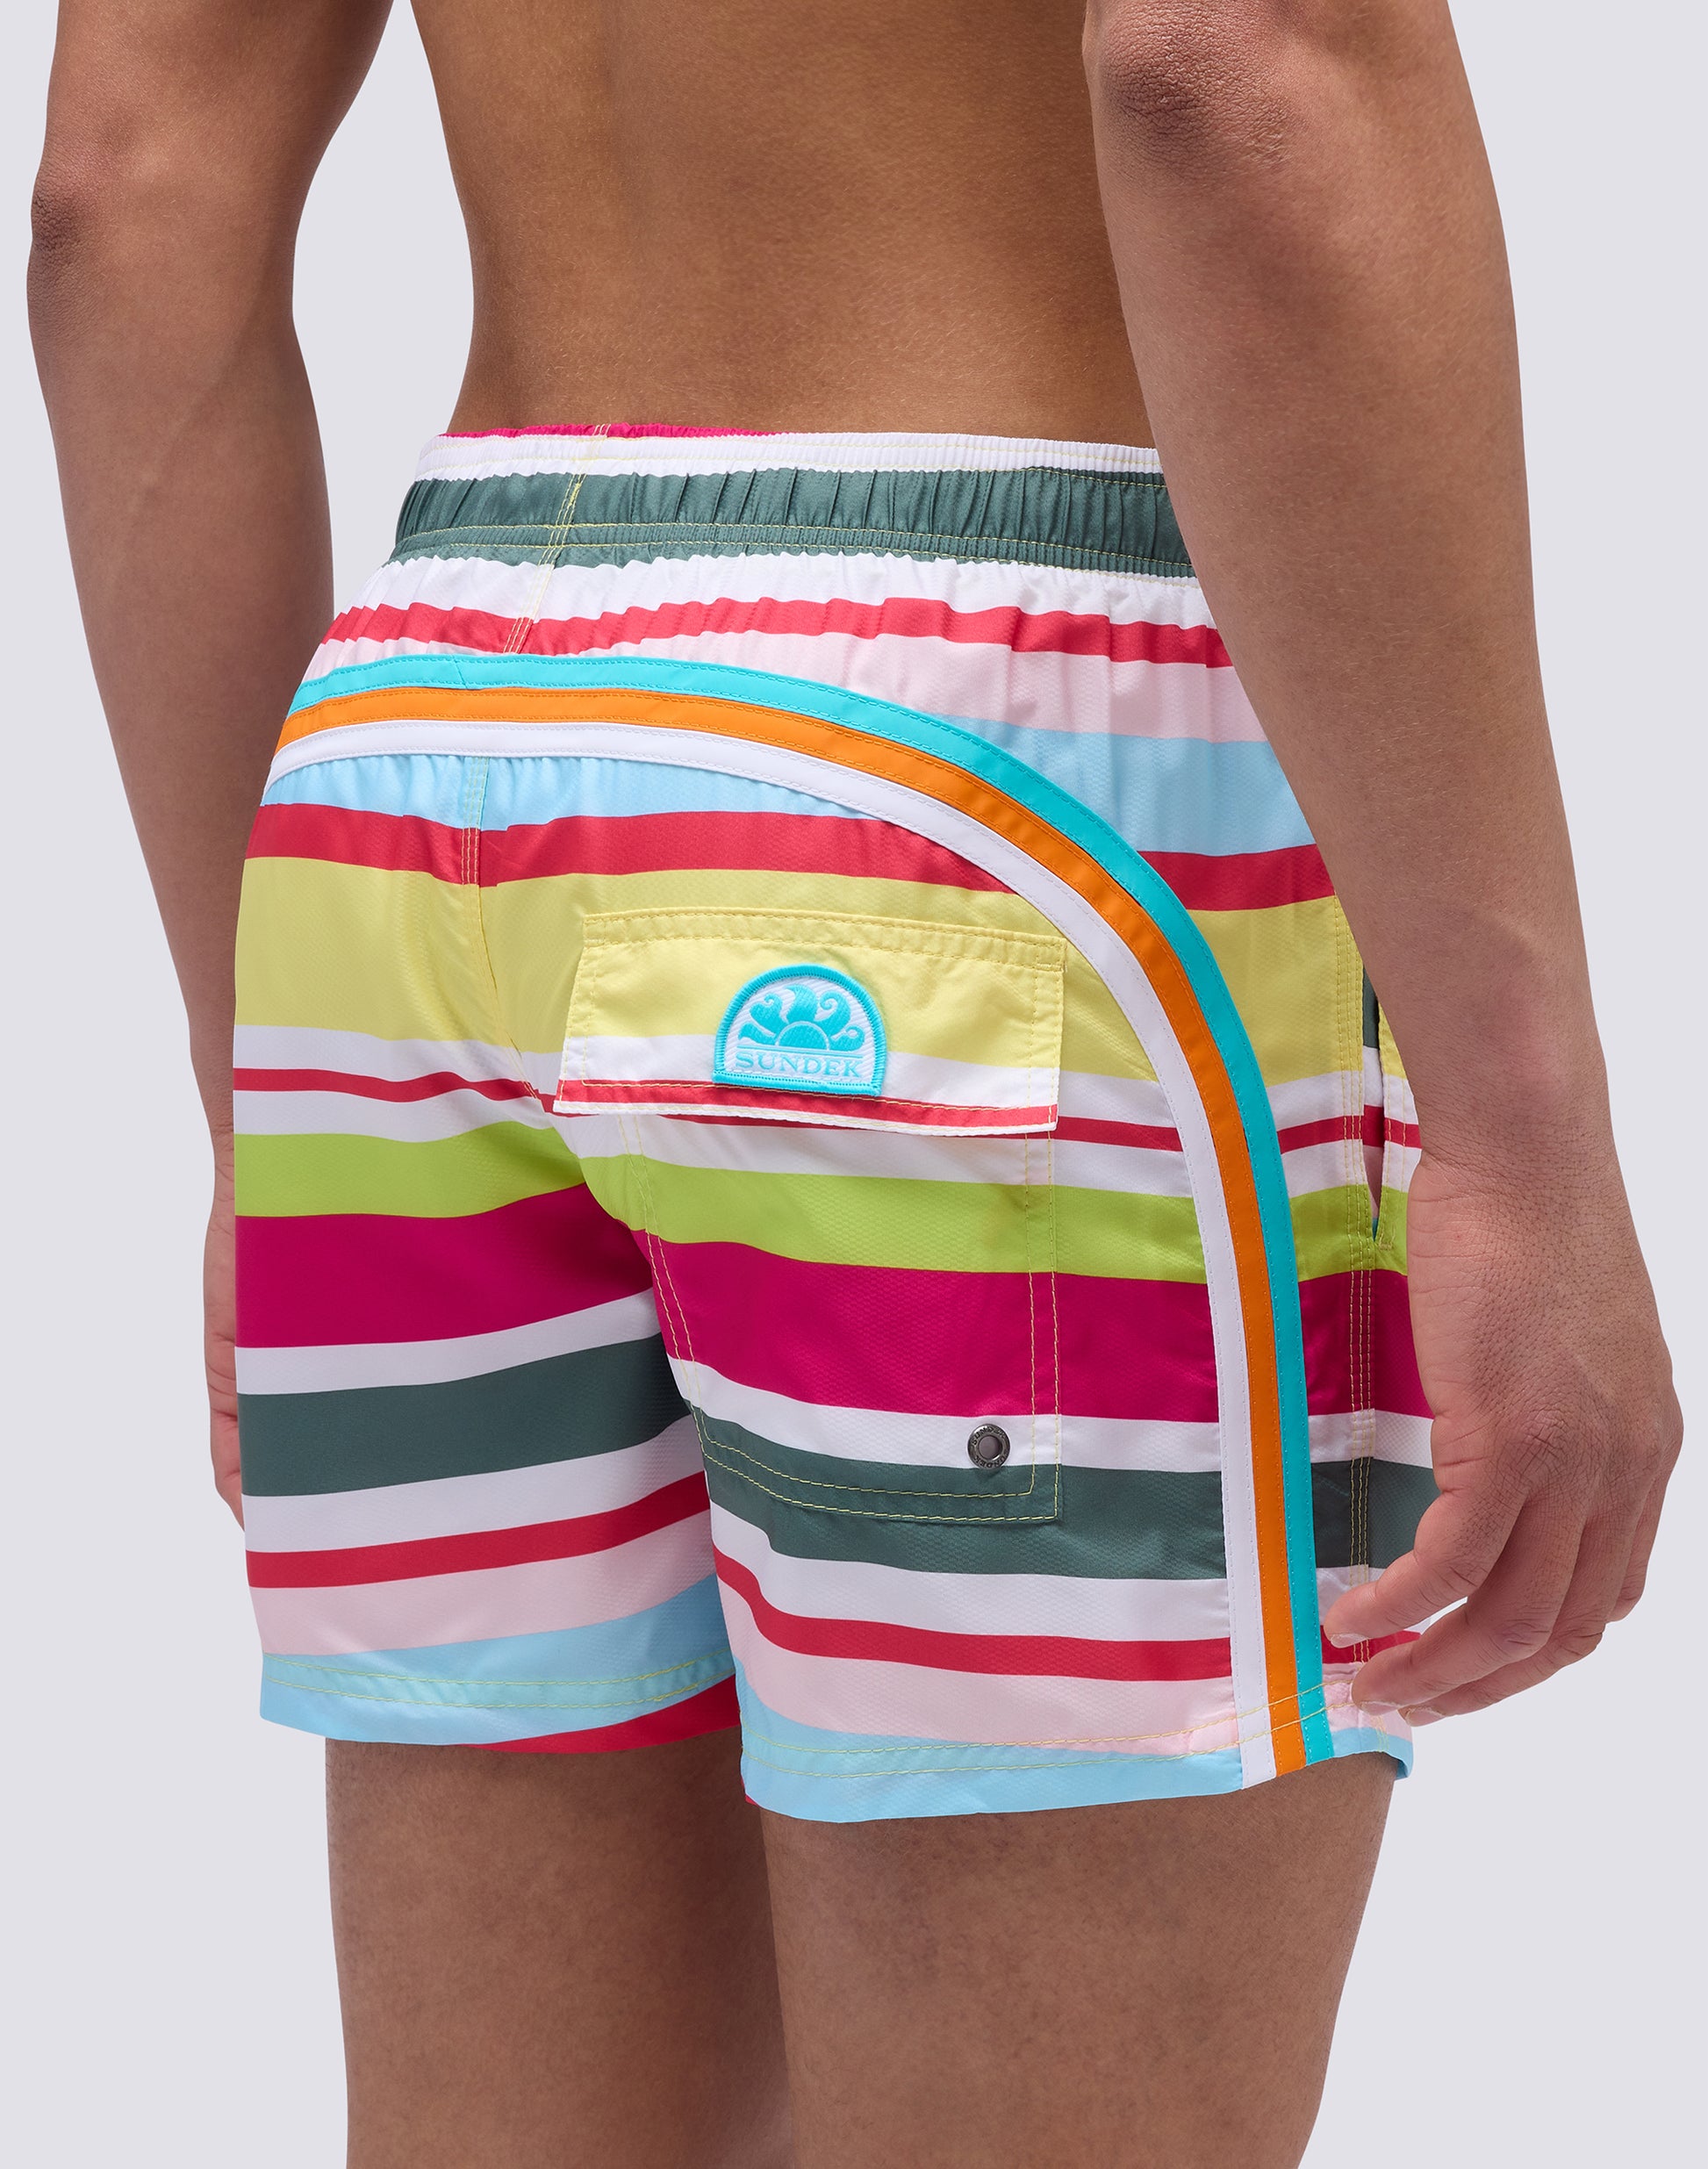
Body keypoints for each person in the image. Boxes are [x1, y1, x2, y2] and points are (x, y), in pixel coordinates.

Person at [29, 3, 1681, 2164]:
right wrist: (1521, 1129)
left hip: (407, 797)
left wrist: (253, 1095)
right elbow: (1233, 51)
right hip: (998, 770)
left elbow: (120, 203)